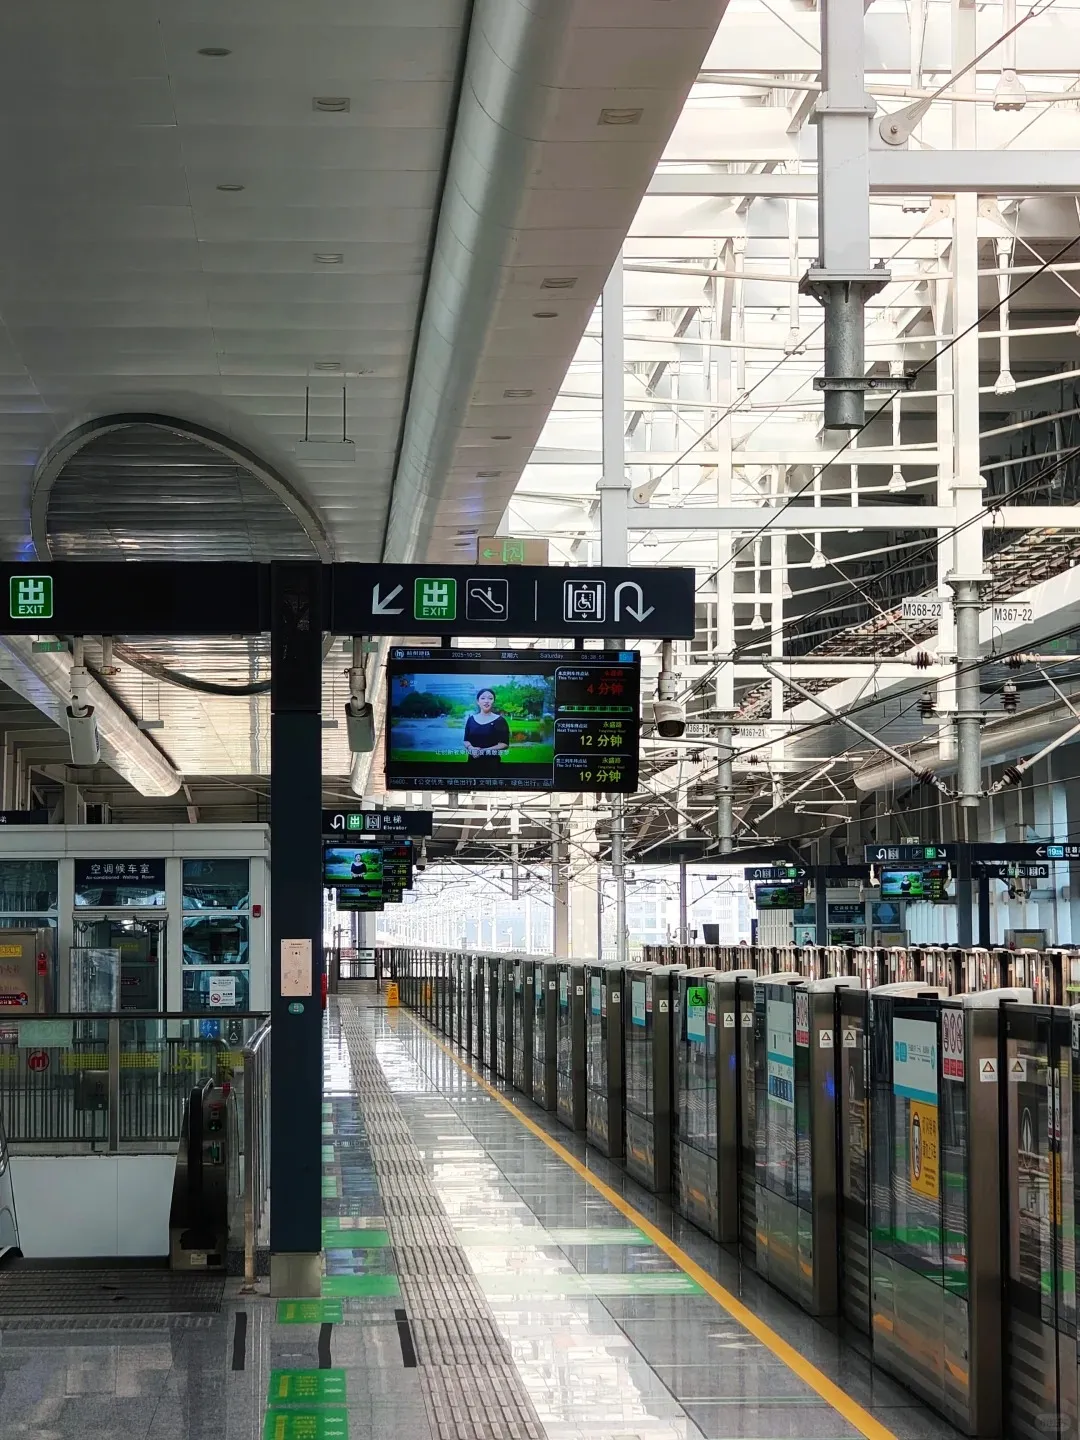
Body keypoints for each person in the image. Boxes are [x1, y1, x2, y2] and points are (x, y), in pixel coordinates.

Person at [463, 688, 510, 771]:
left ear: (494, 701)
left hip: (492, 763)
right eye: (483, 698)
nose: (486, 701)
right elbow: (466, 740)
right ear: (478, 701)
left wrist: (483, 751)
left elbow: (504, 744)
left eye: (490, 698)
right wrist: (471, 748)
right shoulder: (471, 719)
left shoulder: (500, 720)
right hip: (472, 762)